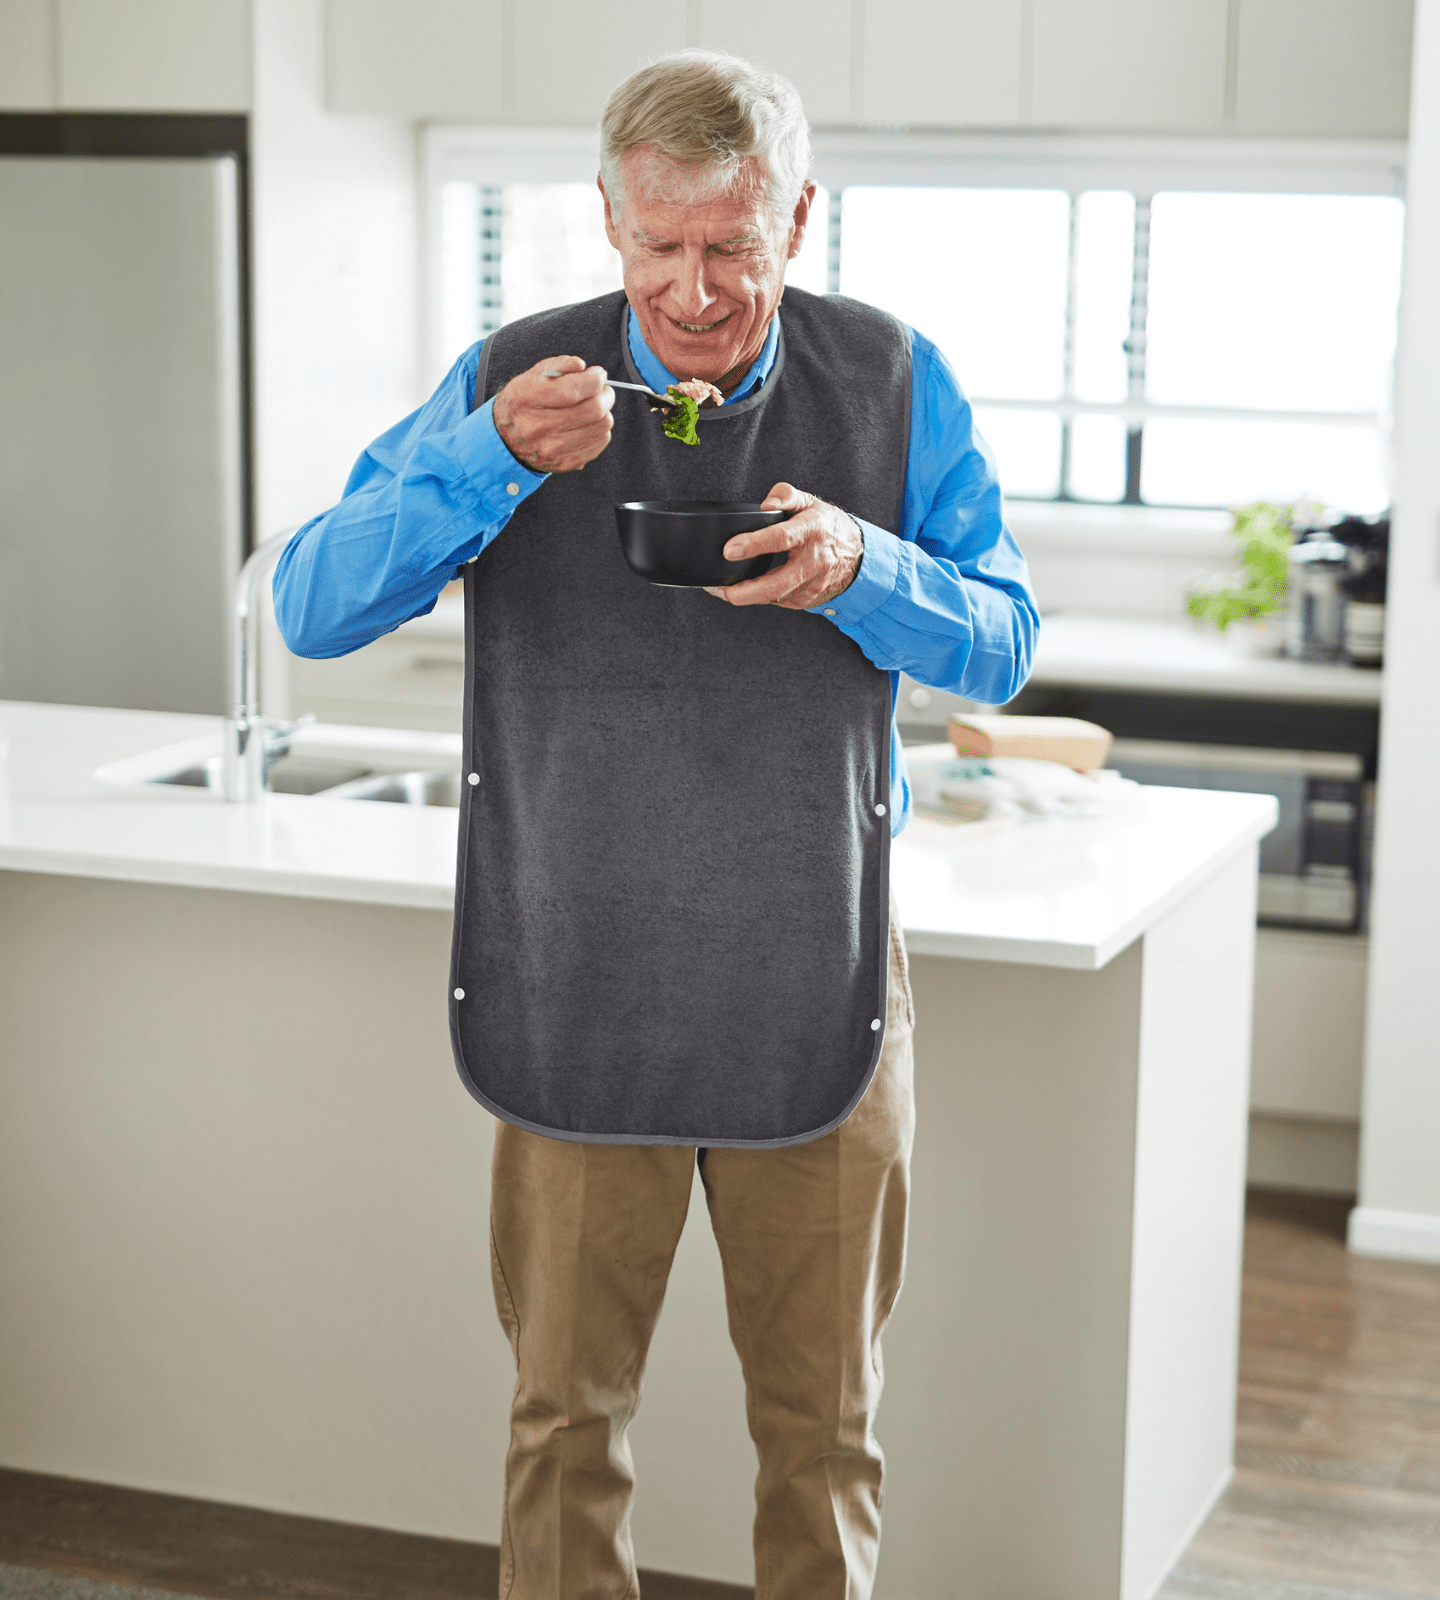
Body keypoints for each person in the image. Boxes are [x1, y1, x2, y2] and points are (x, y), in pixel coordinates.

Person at [273, 49, 1038, 1600]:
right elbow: (311, 604)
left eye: (732, 246)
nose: (694, 290)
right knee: (563, 1426)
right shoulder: (513, 377)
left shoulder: (895, 381)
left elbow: (1004, 642)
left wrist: (866, 568)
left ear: (798, 220)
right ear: (609, 220)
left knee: (825, 1438)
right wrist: (489, 460)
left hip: (817, 975)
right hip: (577, 971)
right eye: (660, 243)